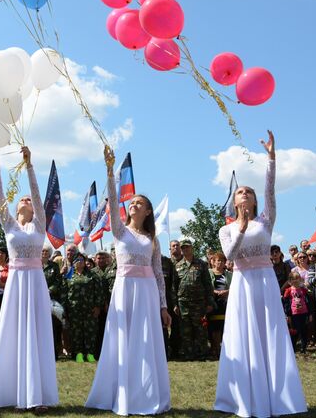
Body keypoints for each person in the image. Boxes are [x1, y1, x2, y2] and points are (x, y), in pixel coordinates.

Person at [214, 131, 307, 417]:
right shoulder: (226, 229)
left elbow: (270, 189)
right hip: (241, 283)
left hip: (265, 281)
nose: (245, 194)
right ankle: (242, 395)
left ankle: (278, 394)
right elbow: (229, 256)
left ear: (254, 201)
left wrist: (271, 158)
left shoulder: (266, 220)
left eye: (249, 192)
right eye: (240, 191)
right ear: (235, 201)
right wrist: (240, 227)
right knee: (243, 333)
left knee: (269, 333)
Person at [86, 145, 172, 416]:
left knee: (145, 341)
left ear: (148, 211)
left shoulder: (152, 240)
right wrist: (110, 171)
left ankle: (146, 393)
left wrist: (163, 306)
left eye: (140, 203)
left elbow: (158, 274)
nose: (134, 204)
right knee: (122, 339)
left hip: (147, 291)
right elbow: (112, 201)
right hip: (124, 289)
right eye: (132, 202)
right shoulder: (119, 232)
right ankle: (119, 392)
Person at [0, 147, 58, 411]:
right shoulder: (10, 225)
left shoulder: (39, 224)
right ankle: (14, 392)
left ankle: (37, 395)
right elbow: (0, 198)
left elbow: (38, 196)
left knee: (37, 333)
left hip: (36, 282)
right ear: (16, 208)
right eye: (23, 199)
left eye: (29, 200)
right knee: (14, 333)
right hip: (15, 283)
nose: (27, 200)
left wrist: (29, 166)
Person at [172, 239, 215, 361]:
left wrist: (210, 301)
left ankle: (202, 353)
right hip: (183, 303)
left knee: (200, 329)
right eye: (183, 247)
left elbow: (208, 284)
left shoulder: (201, 264)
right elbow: (174, 287)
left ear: (192, 248)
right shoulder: (177, 266)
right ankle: (188, 354)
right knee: (185, 330)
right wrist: (175, 304)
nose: (185, 249)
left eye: (187, 247)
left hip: (199, 303)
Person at [65, 253, 102, 362]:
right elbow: (65, 292)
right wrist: (66, 309)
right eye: (77, 260)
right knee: (76, 332)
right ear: (73, 262)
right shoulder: (69, 275)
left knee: (90, 331)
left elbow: (99, 291)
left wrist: (97, 306)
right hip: (74, 310)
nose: (79, 261)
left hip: (90, 309)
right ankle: (79, 354)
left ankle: (90, 353)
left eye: (81, 259)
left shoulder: (92, 275)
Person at [43, 245, 65, 360]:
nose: (44, 253)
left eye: (46, 251)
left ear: (50, 253)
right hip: (39, 299)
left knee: (53, 327)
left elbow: (58, 281)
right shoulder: (36, 265)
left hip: (52, 299)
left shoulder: (54, 266)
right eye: (42, 251)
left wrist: (49, 290)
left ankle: (54, 353)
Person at [208, 252, 231, 359]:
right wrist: (215, 292)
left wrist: (227, 291)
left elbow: (234, 287)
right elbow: (205, 286)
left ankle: (223, 350)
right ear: (213, 262)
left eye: (222, 260)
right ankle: (214, 349)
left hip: (226, 303)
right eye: (218, 260)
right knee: (214, 327)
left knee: (224, 326)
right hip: (213, 303)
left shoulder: (229, 274)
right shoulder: (208, 273)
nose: (220, 263)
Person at [283, 271, 310, 353]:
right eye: (293, 279)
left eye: (297, 278)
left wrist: (310, 313)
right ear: (290, 281)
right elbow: (286, 303)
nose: (295, 280)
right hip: (294, 314)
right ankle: (293, 347)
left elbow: (308, 302)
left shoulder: (303, 290)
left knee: (303, 330)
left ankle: (303, 347)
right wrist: (288, 315)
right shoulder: (288, 291)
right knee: (294, 331)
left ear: (300, 279)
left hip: (304, 313)